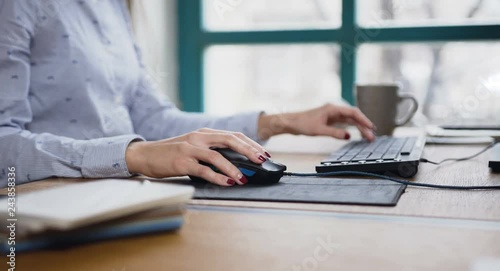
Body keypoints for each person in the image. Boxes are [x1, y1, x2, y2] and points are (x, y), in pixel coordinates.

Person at [0, 0, 375, 188]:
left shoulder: (114, 6)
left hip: (123, 199)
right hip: (44, 213)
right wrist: (135, 155)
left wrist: (280, 122)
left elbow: (153, 119)